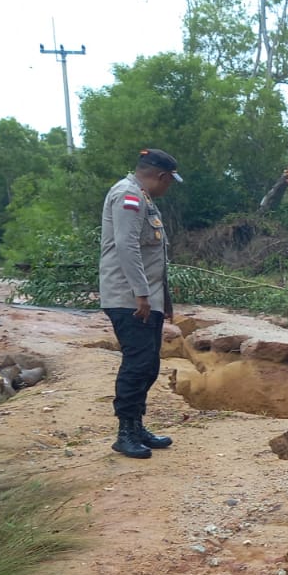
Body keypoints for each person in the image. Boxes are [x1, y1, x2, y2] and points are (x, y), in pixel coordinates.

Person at [99, 148, 182, 459]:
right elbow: (126, 245)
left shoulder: (145, 199)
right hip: (129, 298)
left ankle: (136, 427)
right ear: (161, 176)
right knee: (137, 364)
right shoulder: (127, 195)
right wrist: (142, 294)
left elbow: (156, 258)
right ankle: (125, 432)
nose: (168, 188)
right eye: (169, 182)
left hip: (147, 298)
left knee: (148, 364)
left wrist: (164, 301)